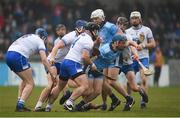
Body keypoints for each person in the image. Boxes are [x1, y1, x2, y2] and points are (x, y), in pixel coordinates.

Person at [45, 22, 99, 112]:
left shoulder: (81, 36)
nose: (96, 33)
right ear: (92, 31)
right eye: (96, 30)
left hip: (65, 62)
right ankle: (69, 102)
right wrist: (92, 64)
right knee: (84, 85)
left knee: (59, 87)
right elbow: (85, 56)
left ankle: (48, 106)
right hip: (73, 63)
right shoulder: (88, 40)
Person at [5, 28, 55, 112]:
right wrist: (51, 71)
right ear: (44, 37)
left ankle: (19, 100)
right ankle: (20, 105)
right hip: (18, 56)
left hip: (8, 54)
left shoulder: (30, 36)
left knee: (25, 80)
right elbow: (44, 59)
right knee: (30, 83)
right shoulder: (40, 41)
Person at [126, 11, 156, 108]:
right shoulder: (127, 31)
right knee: (129, 82)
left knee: (143, 79)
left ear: (140, 19)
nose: (134, 20)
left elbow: (153, 44)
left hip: (143, 58)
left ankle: (143, 102)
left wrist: (143, 45)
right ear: (130, 20)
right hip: (132, 59)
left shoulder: (147, 30)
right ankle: (129, 100)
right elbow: (126, 45)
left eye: (136, 18)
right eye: (132, 18)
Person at [34, 24, 67, 111]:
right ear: (57, 32)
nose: (61, 31)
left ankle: (48, 107)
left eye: (63, 29)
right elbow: (53, 52)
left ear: (66, 30)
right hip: (52, 62)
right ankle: (38, 106)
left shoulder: (69, 39)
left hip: (60, 64)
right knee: (50, 85)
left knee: (57, 86)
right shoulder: (58, 41)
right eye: (59, 30)